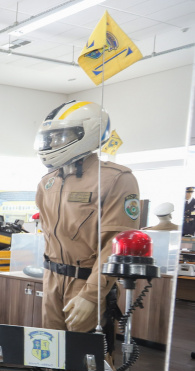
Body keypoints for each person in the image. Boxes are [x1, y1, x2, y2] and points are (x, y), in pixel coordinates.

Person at [34, 101, 139, 337]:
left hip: (87, 282)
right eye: (49, 138)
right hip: (52, 280)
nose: (52, 144)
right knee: (51, 354)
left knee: (87, 360)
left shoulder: (115, 179)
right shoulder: (47, 182)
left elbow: (115, 245)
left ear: (87, 133)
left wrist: (92, 295)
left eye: (60, 136)